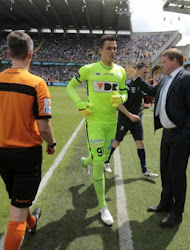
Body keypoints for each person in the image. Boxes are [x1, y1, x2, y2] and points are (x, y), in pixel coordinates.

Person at [0, 31, 56, 250]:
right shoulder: (37, 84)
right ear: (31, 54)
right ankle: (25, 223)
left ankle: (32, 222)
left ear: (9, 53)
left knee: (18, 198)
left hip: (0, 154)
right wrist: (51, 143)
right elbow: (44, 127)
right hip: (27, 155)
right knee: (17, 211)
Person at [125, 48, 190, 228]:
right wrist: (137, 79)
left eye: (164, 62)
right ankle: (165, 203)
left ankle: (177, 213)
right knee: (165, 171)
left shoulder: (189, 78)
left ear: (174, 61)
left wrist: (185, 135)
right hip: (167, 134)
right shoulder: (166, 79)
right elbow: (152, 91)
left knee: (177, 174)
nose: (161, 66)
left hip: (180, 136)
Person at [66, 35, 127, 226]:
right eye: (109, 48)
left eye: (115, 48)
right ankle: (103, 208)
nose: (112, 52)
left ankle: (86, 161)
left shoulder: (120, 72)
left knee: (102, 156)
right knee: (100, 162)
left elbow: (124, 91)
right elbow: (71, 87)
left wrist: (122, 99)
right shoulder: (89, 69)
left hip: (112, 123)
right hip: (95, 123)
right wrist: (79, 104)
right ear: (100, 50)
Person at [104, 62, 158, 177]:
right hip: (125, 119)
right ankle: (106, 161)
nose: (146, 75)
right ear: (136, 71)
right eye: (144, 72)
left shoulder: (142, 85)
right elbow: (119, 104)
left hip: (137, 120)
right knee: (116, 142)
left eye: (147, 72)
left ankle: (144, 171)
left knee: (141, 143)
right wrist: (130, 115)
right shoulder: (126, 85)